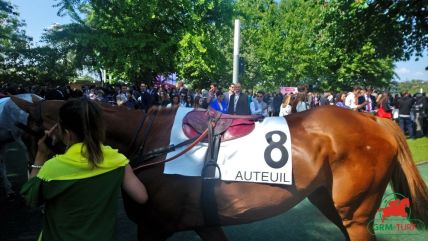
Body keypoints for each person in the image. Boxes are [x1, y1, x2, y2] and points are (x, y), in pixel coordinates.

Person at [20, 99, 148, 241]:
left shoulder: (52, 168)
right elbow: (141, 197)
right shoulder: (118, 161)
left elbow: (29, 197)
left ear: (67, 134)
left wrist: (40, 156)